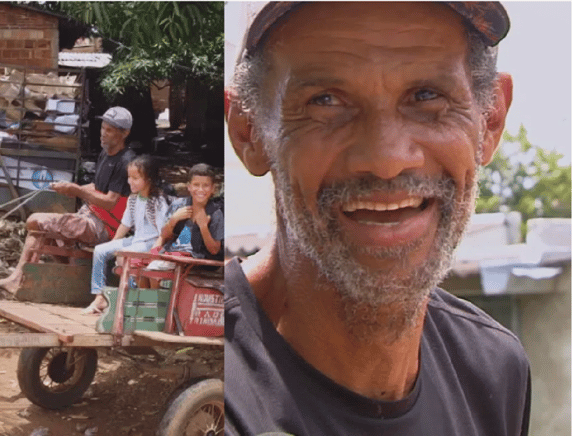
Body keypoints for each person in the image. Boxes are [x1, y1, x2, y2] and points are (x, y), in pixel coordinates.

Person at [225, 2, 530, 435]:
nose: (387, 160)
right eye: (326, 101)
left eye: (427, 96)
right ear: (248, 132)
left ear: (491, 120)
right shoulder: (217, 396)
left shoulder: (493, 371)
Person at [0, 107, 135, 294]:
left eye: (110, 130)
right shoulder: (105, 153)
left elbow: (110, 201)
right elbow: (96, 187)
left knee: (36, 220)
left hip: (105, 225)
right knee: (43, 228)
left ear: (125, 133)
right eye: (103, 128)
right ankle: (42, 279)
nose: (103, 134)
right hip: (89, 214)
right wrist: (69, 187)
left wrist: (77, 190)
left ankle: (19, 279)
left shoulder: (126, 162)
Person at [83, 154, 169, 314]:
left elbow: (163, 232)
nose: (130, 181)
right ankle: (99, 296)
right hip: (136, 240)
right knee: (100, 251)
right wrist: (112, 245)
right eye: (129, 177)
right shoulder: (133, 199)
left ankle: (129, 299)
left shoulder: (158, 201)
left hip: (150, 242)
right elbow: (125, 224)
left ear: (149, 179)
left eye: (136, 178)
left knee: (124, 257)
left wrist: (154, 253)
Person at [147, 163, 224, 274]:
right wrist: (173, 220)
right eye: (196, 185)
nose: (200, 190)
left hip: (196, 258)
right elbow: (163, 235)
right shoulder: (178, 205)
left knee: (154, 269)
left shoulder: (215, 214)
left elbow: (214, 250)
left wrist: (203, 227)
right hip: (171, 251)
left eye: (205, 185)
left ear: (213, 189)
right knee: (140, 269)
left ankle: (155, 289)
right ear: (189, 187)